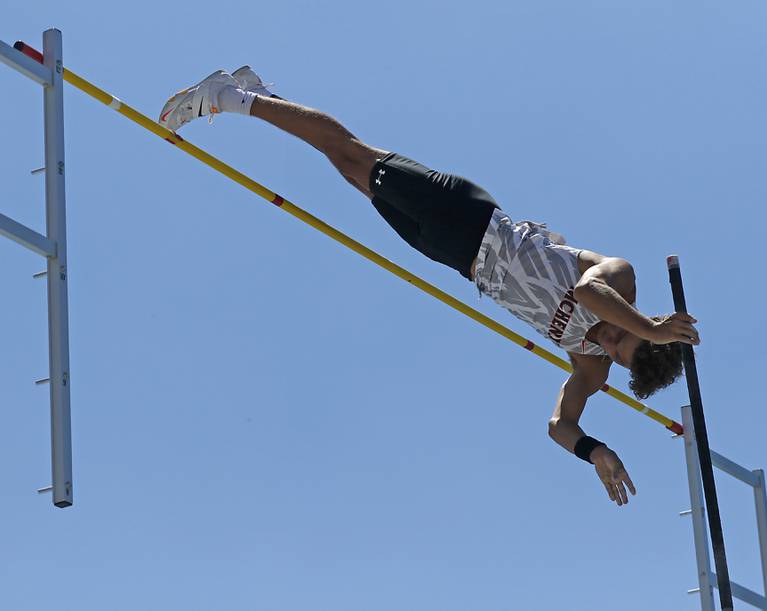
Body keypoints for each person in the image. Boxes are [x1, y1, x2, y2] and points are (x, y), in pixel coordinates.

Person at [159, 68, 701, 506]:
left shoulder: (592, 365)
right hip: (471, 219)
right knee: (353, 155)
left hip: (456, 259)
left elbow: (559, 424)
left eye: (616, 352)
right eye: (619, 341)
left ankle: (258, 93)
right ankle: (227, 97)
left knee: (350, 172)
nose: (608, 343)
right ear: (643, 324)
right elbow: (587, 297)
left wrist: (593, 450)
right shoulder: (620, 278)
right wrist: (648, 327)